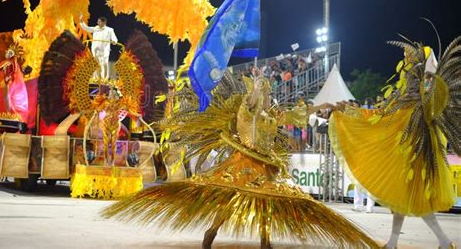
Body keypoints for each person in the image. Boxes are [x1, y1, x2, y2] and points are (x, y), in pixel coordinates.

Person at [103, 71, 378, 249]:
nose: (268, 96)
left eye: (269, 92)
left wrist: (328, 106)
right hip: (243, 164)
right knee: (230, 202)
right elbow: (249, 103)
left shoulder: (272, 114)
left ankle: (265, 242)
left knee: (266, 205)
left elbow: (299, 113)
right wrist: (256, 87)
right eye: (265, 93)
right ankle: (211, 234)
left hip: (266, 166)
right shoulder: (248, 113)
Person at [329, 39, 461, 249]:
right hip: (404, 139)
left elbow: (429, 89)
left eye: (408, 54)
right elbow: (384, 112)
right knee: (401, 197)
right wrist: (350, 112)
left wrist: (428, 75)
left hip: (415, 142)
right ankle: (397, 242)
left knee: (415, 198)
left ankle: (440, 241)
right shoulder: (406, 87)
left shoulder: (423, 81)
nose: (404, 56)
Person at [79, 14, 118, 80]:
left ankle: (104, 79)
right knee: (96, 64)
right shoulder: (95, 28)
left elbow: (114, 38)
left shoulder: (110, 30)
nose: (97, 23)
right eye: (98, 21)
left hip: (104, 50)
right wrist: (81, 21)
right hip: (95, 50)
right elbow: (87, 28)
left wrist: (114, 41)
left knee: (104, 63)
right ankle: (96, 79)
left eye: (99, 21)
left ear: (104, 22)